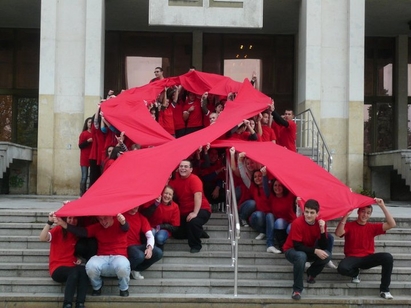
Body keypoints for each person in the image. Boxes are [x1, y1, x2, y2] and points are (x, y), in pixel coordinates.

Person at [56, 213, 131, 297]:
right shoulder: (97, 227)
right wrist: (63, 224)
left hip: (119, 256)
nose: (103, 222)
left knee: (123, 265)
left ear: (111, 216)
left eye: (105, 218)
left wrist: (123, 222)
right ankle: (97, 287)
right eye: (100, 219)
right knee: (90, 266)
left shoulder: (120, 223)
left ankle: (123, 288)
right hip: (102, 257)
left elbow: (126, 227)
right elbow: (82, 231)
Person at [335, 198, 396, 299]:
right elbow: (338, 233)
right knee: (342, 268)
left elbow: (392, 224)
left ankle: (384, 290)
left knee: (387, 257)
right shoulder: (350, 226)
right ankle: (355, 273)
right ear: (358, 212)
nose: (365, 215)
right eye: (363, 211)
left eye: (368, 213)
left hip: (368, 258)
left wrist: (382, 206)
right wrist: (345, 216)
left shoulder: (372, 227)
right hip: (352, 258)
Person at [283, 199, 332, 300]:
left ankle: (311, 273)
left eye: (312, 212)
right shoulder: (297, 223)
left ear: (317, 213)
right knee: (301, 256)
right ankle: (297, 290)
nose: (308, 215)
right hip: (291, 250)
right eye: (306, 212)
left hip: (307, 250)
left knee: (327, 255)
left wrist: (322, 230)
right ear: (303, 211)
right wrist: (315, 251)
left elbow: (323, 246)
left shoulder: (320, 223)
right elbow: (297, 246)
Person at [40, 212, 88, 308]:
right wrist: (49, 222)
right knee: (73, 272)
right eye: (70, 218)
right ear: (65, 219)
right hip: (57, 268)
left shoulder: (77, 233)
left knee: (84, 271)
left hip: (71, 265)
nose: (72, 221)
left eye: (75, 218)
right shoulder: (58, 230)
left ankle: (80, 303)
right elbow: (42, 238)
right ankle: (67, 304)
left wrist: (77, 257)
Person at [169, 159, 211, 253]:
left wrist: (195, 212)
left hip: (201, 208)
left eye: (185, 166)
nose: (183, 168)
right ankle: (199, 232)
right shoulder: (175, 180)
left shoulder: (194, 179)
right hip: (184, 211)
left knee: (193, 222)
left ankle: (196, 246)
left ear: (191, 169)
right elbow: (168, 191)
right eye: (181, 166)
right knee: (177, 234)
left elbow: (198, 195)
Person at [124, 205, 163, 280]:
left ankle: (136, 269)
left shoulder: (141, 218)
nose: (134, 208)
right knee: (139, 255)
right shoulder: (121, 216)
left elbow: (150, 235)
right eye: (133, 206)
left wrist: (149, 248)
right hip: (126, 246)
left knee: (158, 252)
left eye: (136, 206)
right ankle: (124, 271)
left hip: (137, 245)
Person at [78, 117, 93, 196]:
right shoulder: (83, 134)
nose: (90, 124)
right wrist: (88, 141)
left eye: (91, 122)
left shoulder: (94, 133)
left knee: (91, 176)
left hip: (92, 158)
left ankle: (89, 192)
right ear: (86, 124)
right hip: (84, 158)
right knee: (84, 176)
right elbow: (80, 146)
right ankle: (82, 193)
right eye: (89, 122)